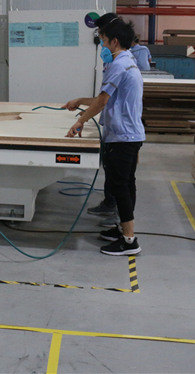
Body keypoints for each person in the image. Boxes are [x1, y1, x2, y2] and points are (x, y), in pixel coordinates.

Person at [62, 13, 145, 256]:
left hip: (123, 136)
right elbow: (104, 98)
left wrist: (80, 121)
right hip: (129, 135)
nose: (102, 45)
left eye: (103, 40)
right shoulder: (127, 60)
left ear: (114, 41)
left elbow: (102, 101)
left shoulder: (119, 64)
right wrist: (80, 100)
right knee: (126, 184)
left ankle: (129, 241)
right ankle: (122, 230)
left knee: (121, 186)